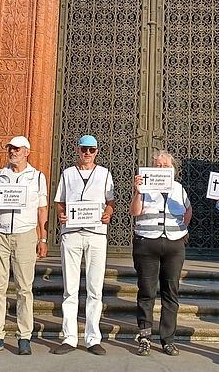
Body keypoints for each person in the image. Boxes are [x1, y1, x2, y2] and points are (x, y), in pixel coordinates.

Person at [0, 136, 48, 355]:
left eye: (17, 149)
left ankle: (24, 336)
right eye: (10, 149)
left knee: (24, 288)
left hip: (25, 234)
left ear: (27, 151)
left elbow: (42, 209)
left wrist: (43, 237)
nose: (12, 152)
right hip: (0, 232)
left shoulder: (37, 177)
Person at [53, 135, 115, 355]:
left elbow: (110, 202)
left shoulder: (105, 173)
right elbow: (60, 201)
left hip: (96, 233)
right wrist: (61, 215)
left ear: (97, 151)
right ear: (77, 150)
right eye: (84, 150)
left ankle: (92, 337)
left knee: (94, 288)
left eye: (91, 150)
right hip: (72, 233)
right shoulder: (68, 173)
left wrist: (107, 213)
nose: (87, 153)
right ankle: (69, 337)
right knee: (70, 288)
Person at [129, 150, 192, 356]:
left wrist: (183, 229)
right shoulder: (145, 188)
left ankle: (168, 339)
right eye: (158, 165)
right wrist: (138, 191)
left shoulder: (178, 188)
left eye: (165, 165)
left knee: (170, 293)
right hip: (147, 243)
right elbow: (135, 212)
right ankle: (145, 337)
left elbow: (188, 209)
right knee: (146, 292)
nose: (162, 168)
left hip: (173, 245)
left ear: (172, 169)